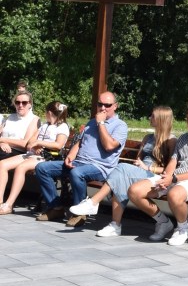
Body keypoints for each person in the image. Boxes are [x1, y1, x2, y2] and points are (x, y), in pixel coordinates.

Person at [68, 106, 176, 238]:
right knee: (120, 177)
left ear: (161, 119)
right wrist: (138, 165)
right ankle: (114, 224)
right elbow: (138, 159)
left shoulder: (171, 140)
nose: (149, 118)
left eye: (152, 116)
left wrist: (148, 168)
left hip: (156, 177)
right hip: (140, 173)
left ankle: (94, 204)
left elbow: (170, 170)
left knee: (121, 169)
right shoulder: (148, 137)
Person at [127, 101, 188, 246]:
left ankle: (183, 229)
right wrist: (167, 177)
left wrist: (173, 178)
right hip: (175, 177)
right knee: (134, 191)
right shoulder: (183, 138)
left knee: (174, 194)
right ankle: (163, 222)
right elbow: (173, 161)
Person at [35, 92, 128, 224]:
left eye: (107, 105)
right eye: (100, 104)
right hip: (79, 163)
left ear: (115, 106)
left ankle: (80, 213)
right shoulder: (91, 122)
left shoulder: (120, 125)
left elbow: (109, 146)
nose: (102, 108)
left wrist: (101, 123)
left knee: (77, 173)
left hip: (100, 167)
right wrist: (71, 155)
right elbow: (80, 142)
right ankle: (55, 208)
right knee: (42, 168)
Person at [0, 101, 70, 214]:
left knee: (21, 167)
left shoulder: (62, 127)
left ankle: (9, 204)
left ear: (49, 112)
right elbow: (31, 141)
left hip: (48, 157)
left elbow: (58, 145)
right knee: (2, 164)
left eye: (45, 112)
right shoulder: (45, 125)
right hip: (33, 154)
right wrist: (36, 145)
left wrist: (39, 143)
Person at [0, 90, 39, 162]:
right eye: (17, 102)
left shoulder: (34, 119)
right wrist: (2, 143)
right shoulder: (9, 117)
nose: (20, 105)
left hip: (18, 152)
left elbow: (25, 144)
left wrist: (2, 140)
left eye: (24, 102)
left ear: (30, 104)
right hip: (2, 148)